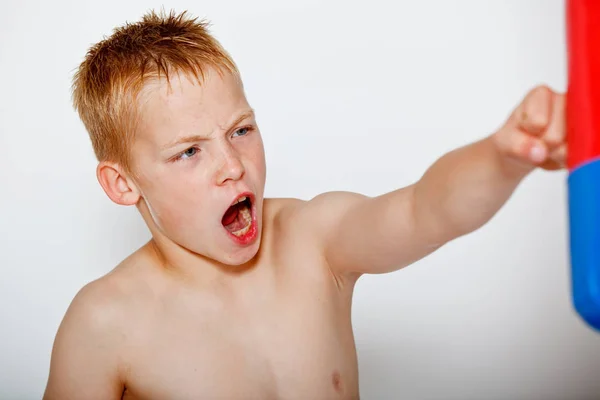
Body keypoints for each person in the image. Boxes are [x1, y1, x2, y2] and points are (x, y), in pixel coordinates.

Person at [43, 9, 567, 400]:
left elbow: (424, 211)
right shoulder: (105, 324)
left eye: (241, 129)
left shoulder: (313, 243)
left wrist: (506, 155)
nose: (233, 164)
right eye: (189, 151)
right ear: (122, 183)